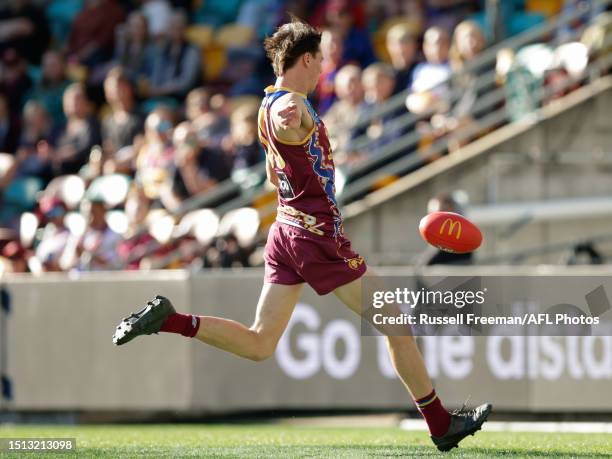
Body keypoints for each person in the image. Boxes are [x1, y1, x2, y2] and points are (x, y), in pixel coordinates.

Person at [111, 19, 491, 452]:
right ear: (307, 58)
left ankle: (170, 319)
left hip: (285, 231)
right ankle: (441, 424)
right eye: (321, 61)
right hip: (316, 237)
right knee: (397, 326)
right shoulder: (289, 105)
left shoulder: (264, 105)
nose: (322, 70)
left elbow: (277, 171)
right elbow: (293, 121)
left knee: (259, 343)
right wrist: (295, 121)